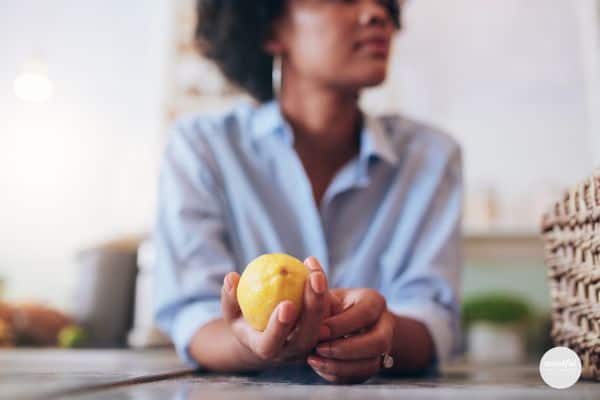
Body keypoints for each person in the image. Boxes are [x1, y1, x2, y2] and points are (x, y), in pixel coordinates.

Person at [154, 0, 462, 384]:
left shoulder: (430, 157)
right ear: (269, 29)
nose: (376, 13)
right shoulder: (202, 147)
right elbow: (193, 313)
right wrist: (248, 343)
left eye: (384, 1)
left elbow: (432, 317)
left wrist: (387, 335)